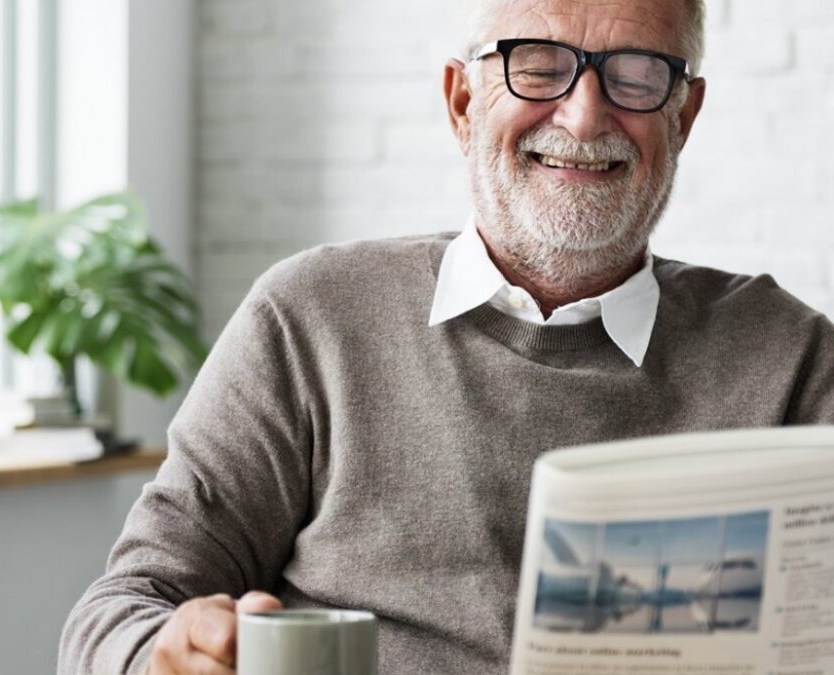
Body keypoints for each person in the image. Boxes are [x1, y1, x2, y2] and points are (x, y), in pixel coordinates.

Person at [59, 0, 834, 673]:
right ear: (462, 101)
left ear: (684, 115)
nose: (585, 115)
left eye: (635, 75)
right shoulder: (309, 319)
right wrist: (167, 649)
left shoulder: (793, 361)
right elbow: (120, 609)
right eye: (537, 65)